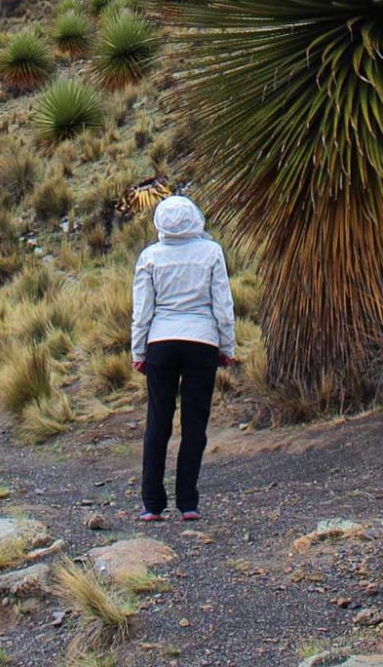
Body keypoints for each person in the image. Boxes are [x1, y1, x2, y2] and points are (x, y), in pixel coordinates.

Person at [131, 195, 235, 521]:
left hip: (161, 341)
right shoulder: (211, 252)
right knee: (194, 423)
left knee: (158, 421)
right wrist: (226, 346)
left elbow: (142, 312)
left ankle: (152, 504)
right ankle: (188, 502)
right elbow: (223, 305)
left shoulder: (150, 257)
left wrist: (139, 351)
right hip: (201, 341)